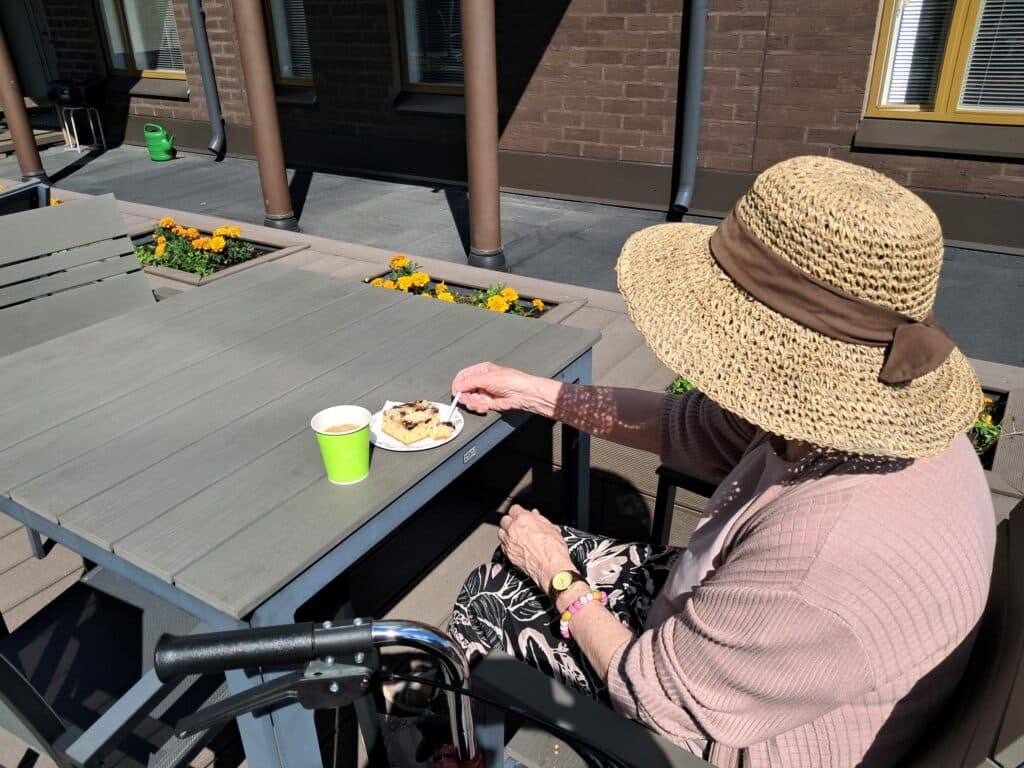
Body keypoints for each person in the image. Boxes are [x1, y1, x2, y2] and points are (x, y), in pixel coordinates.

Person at [446, 156, 996, 767]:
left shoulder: (829, 553)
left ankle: (459, 747)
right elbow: (696, 425)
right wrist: (541, 395)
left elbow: (655, 697)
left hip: (719, 737)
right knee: (521, 553)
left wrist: (557, 575)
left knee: (485, 601)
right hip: (747, 655)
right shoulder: (861, 429)